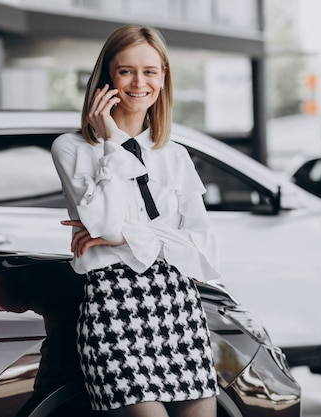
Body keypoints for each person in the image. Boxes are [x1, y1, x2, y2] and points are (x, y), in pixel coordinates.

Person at [51, 24, 221, 417]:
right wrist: (111, 140)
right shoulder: (72, 148)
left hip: (179, 306)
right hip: (114, 306)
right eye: (126, 70)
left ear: (163, 79)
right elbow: (109, 228)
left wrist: (133, 236)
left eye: (150, 71)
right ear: (105, 78)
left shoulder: (174, 155)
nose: (139, 82)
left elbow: (205, 250)